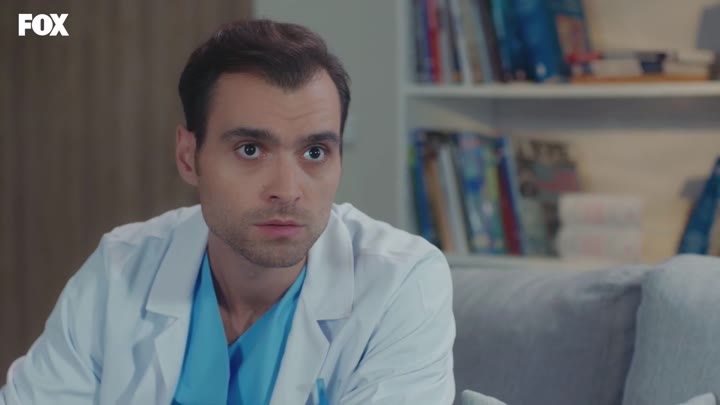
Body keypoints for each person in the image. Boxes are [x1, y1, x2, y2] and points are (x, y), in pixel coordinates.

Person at [0, 19, 455, 405]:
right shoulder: (121, 266)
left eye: (314, 152)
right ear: (188, 157)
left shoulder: (401, 283)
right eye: (250, 149)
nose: (287, 190)